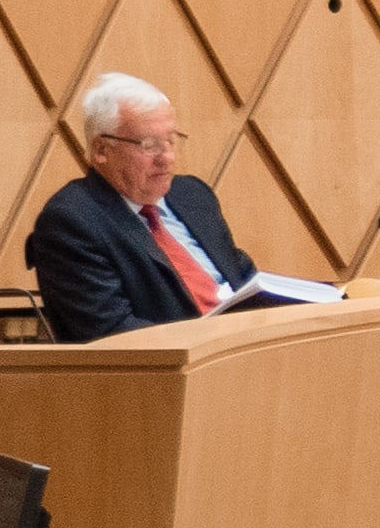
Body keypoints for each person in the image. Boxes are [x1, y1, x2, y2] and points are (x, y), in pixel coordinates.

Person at [25, 72, 255, 342]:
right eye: (150, 145)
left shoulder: (193, 195)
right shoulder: (72, 221)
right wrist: (213, 342)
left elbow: (242, 277)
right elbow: (112, 332)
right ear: (101, 149)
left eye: (171, 140)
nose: (166, 158)